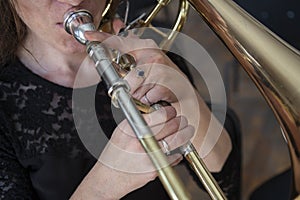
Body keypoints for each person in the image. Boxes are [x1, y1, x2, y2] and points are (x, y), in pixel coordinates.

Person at [0, 0, 237, 199]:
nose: (74, 0)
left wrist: (186, 96)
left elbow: (222, 173)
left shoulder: (142, 45)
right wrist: (106, 184)